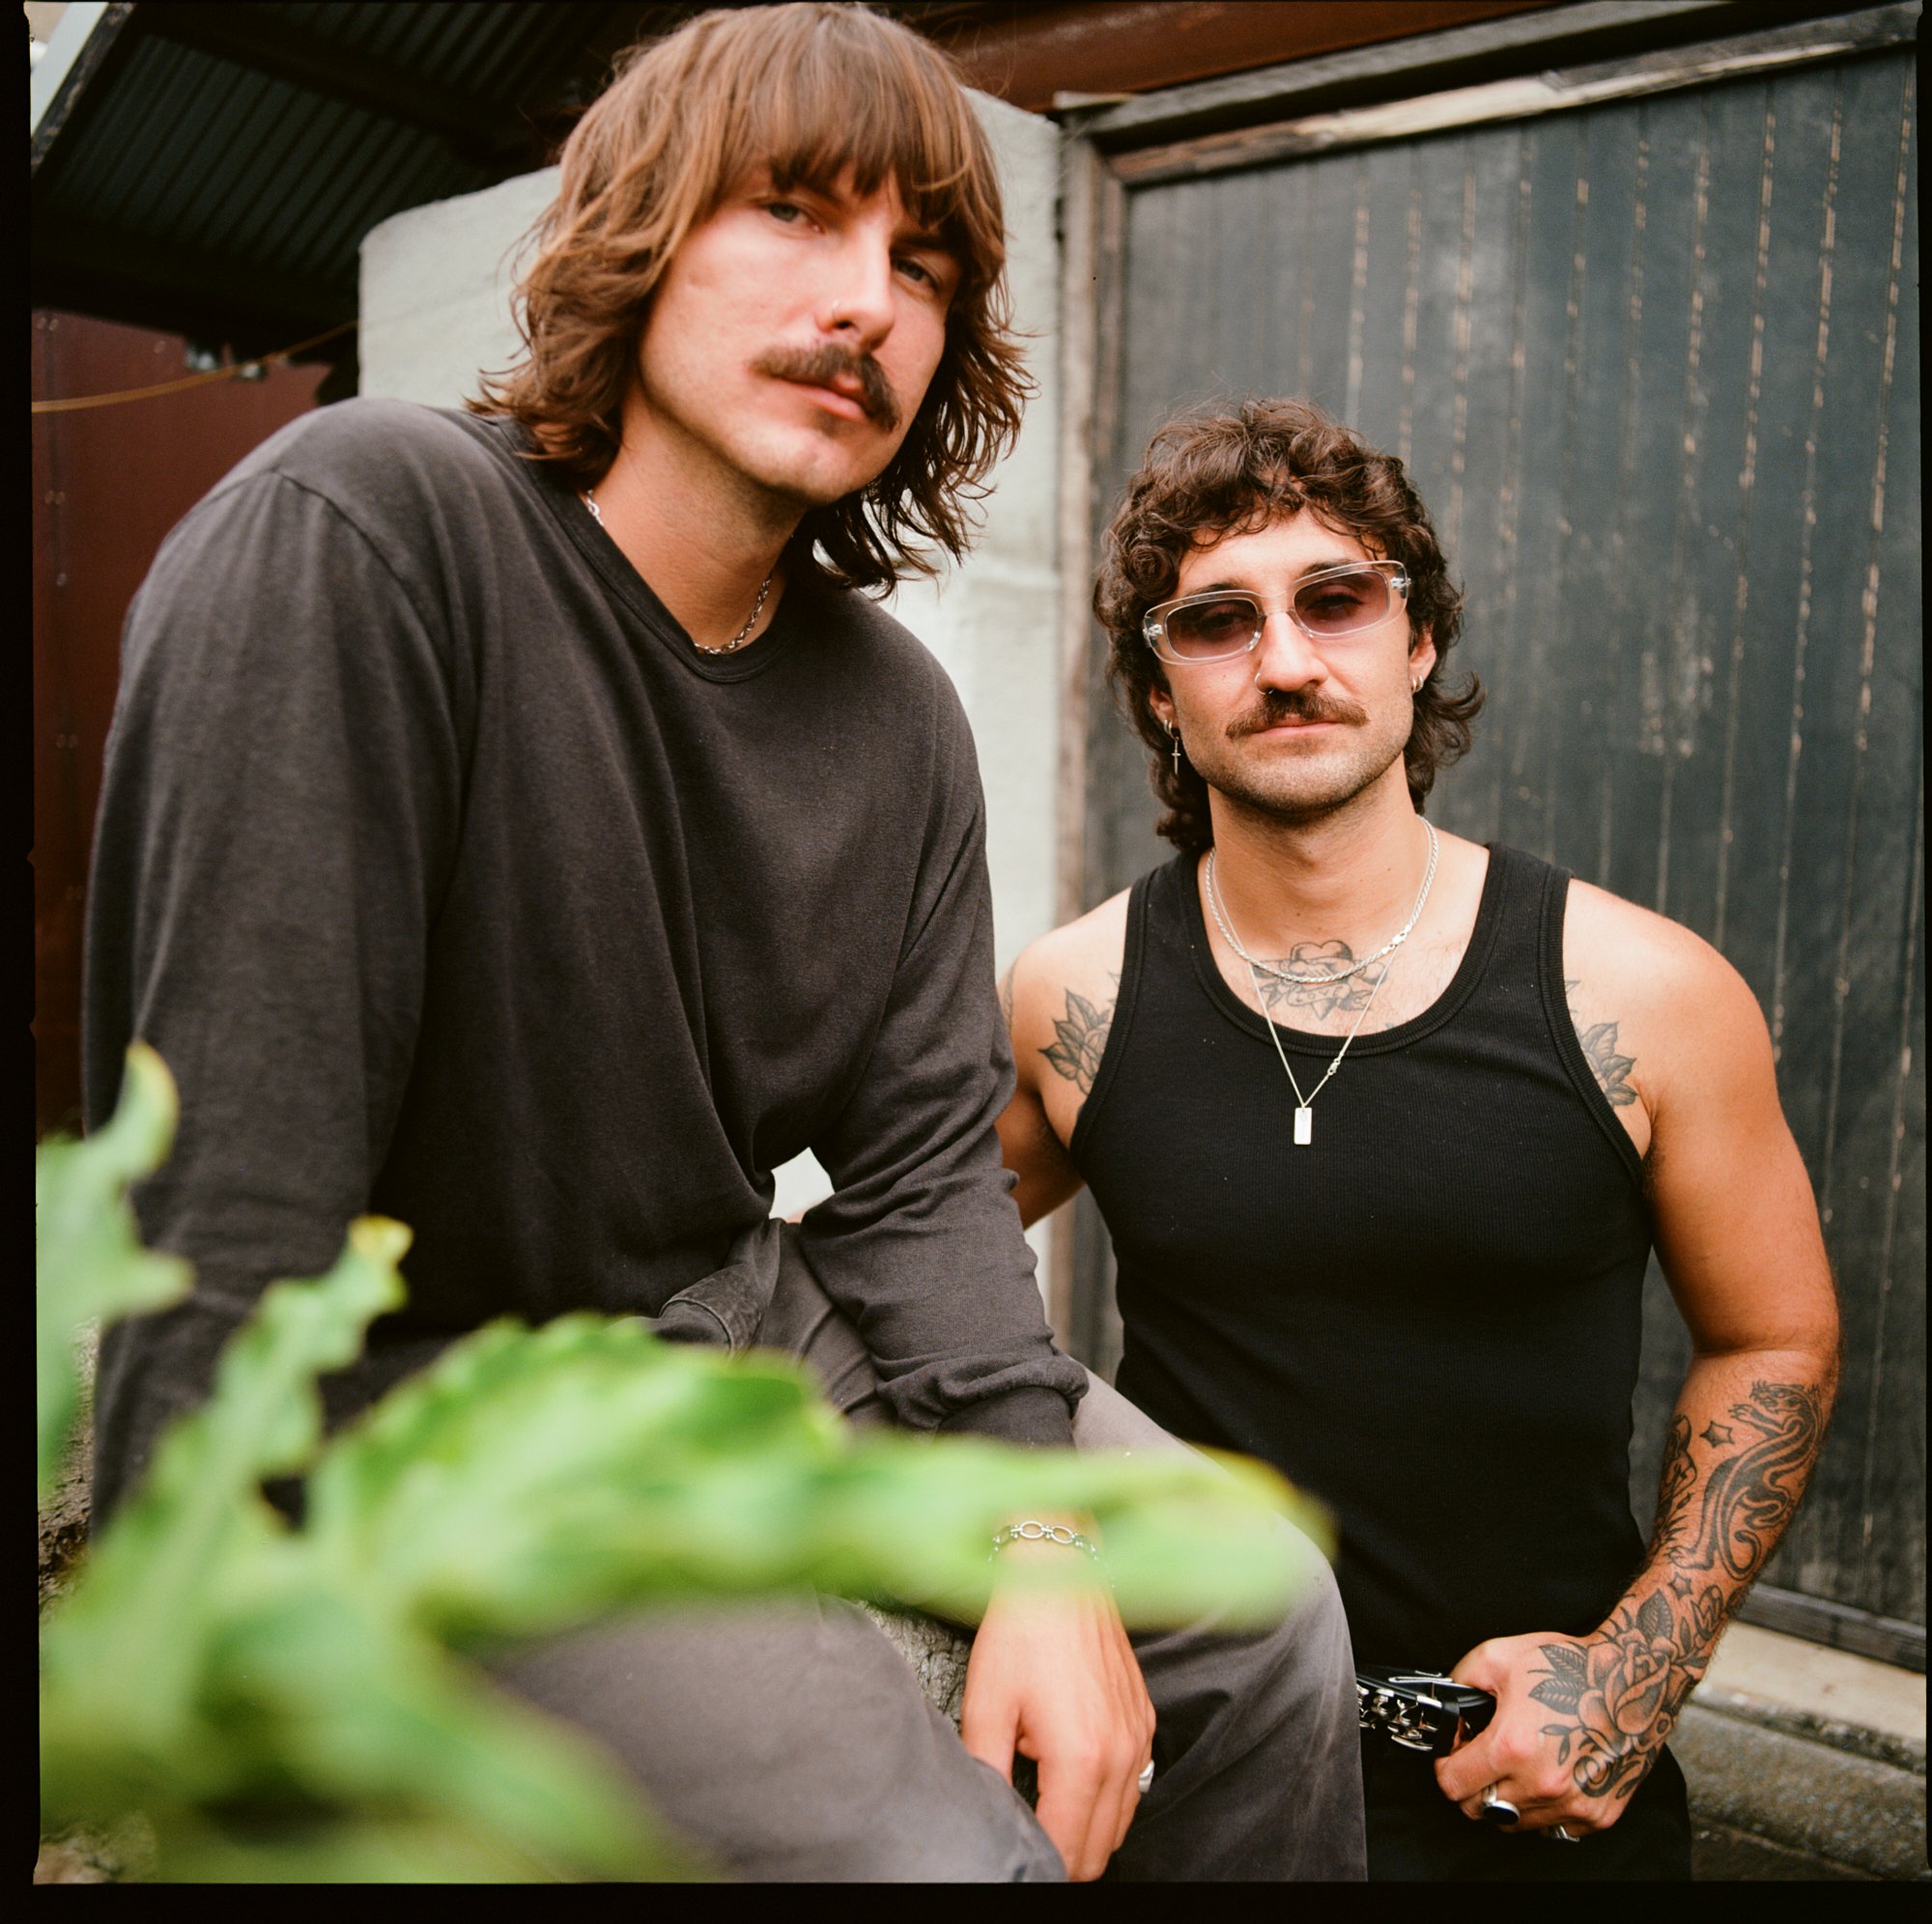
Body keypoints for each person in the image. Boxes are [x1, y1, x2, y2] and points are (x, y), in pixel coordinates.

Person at [82, 6, 1363, 1882]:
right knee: (930, 1861)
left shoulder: (893, 709)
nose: (865, 301)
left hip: (745, 1321)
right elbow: (229, 1196)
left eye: (921, 263)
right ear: (637, 231)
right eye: (791, 214)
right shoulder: (368, 536)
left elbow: (922, 1166)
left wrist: (1039, 1545)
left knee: (1267, 1613)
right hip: (431, 1394)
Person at [996, 397, 1841, 1881]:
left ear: (1419, 638)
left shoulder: (1644, 992)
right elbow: (917, 1260)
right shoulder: (1074, 996)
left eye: (1338, 599)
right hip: (1187, 1765)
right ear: (1157, 694)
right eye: (1214, 621)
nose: (1288, 661)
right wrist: (1035, 1547)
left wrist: (1639, 1673)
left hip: (1528, 1777)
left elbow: (1773, 1340)